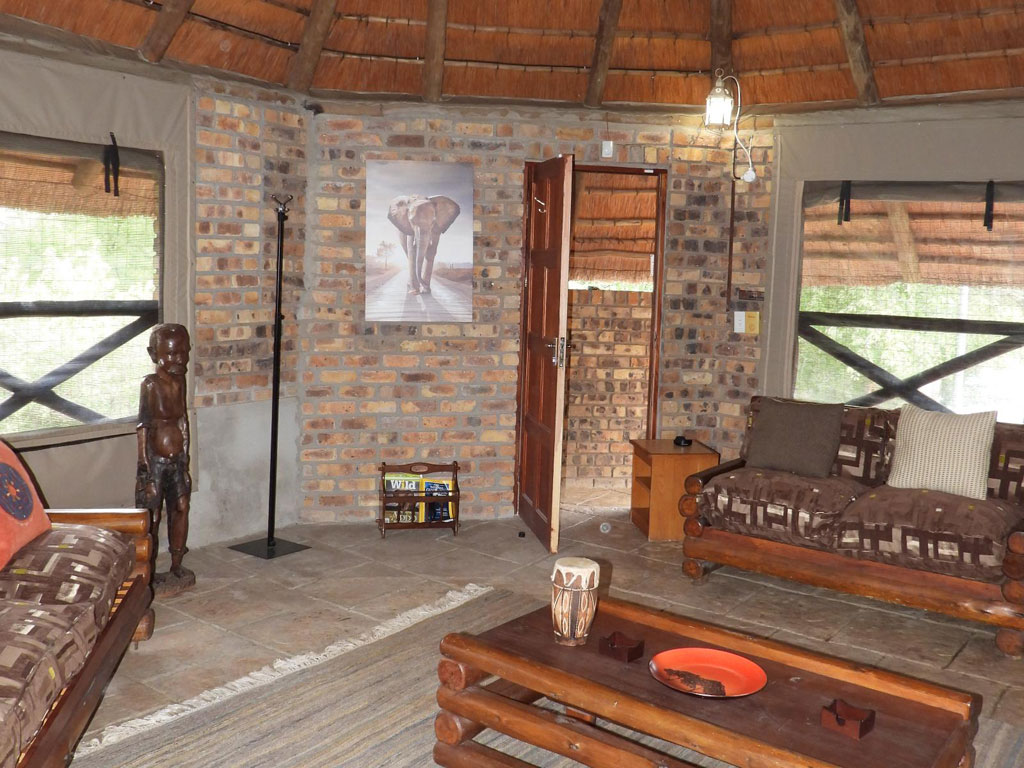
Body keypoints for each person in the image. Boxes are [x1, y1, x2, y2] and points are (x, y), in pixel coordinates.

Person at [136, 323, 195, 592]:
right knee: (153, 515)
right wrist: (145, 468)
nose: (179, 360)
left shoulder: (180, 381)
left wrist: (185, 458)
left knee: (181, 506)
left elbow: (182, 419)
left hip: (177, 460)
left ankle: (177, 563)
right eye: (171, 354)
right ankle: (148, 568)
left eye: (183, 352)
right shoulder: (150, 384)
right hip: (155, 462)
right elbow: (143, 426)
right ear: (154, 354)